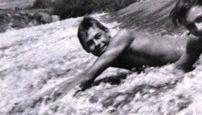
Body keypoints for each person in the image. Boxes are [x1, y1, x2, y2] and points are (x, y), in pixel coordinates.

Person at [53, 16, 186, 95]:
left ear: (107, 32)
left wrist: (57, 100)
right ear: (86, 49)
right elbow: (84, 74)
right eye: (90, 43)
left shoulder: (123, 37)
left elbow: (88, 76)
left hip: (189, 49)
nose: (97, 43)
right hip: (186, 57)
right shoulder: (111, 56)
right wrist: (54, 91)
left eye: (98, 36)